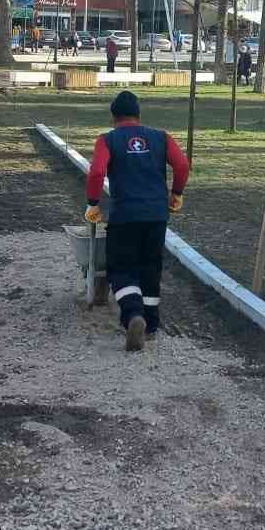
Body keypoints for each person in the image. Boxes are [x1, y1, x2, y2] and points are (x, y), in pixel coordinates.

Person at [85, 91, 191, 351]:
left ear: (113, 117)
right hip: (156, 216)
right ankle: (152, 325)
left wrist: (93, 203)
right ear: (139, 115)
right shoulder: (161, 137)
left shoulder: (107, 140)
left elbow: (98, 171)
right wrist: (176, 193)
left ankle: (133, 315)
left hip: (124, 216)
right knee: (150, 267)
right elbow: (182, 166)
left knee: (121, 268)